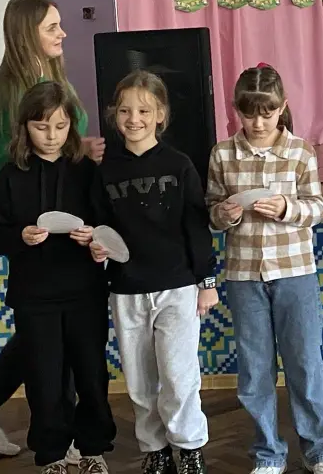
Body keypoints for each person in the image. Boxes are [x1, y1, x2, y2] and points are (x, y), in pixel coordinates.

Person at [0, 0, 105, 463]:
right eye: (52, 27)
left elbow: (69, 148)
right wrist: (36, 203)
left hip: (70, 251)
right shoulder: (6, 90)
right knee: (43, 349)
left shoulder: (56, 77)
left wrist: (81, 152)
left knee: (51, 346)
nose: (62, 33)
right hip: (40, 245)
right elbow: (3, 163)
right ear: (27, 33)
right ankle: (49, 438)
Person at [207, 65, 323, 474]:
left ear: (282, 107)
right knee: (255, 370)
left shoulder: (301, 151)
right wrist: (223, 214)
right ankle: (268, 453)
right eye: (249, 114)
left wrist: (287, 208)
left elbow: (317, 208)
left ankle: (321, 450)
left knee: (305, 364)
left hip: (295, 271)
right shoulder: (222, 154)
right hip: (244, 275)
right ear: (236, 110)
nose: (258, 122)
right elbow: (211, 211)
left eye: (267, 113)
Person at [0, 82, 116, 474]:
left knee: (91, 374)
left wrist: (94, 238)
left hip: (84, 292)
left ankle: (93, 449)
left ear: (71, 125)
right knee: (43, 378)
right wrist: (20, 236)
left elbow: (107, 227)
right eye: (42, 127)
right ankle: (53, 455)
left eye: (60, 126)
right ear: (25, 126)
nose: (52, 135)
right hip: (33, 295)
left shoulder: (85, 171)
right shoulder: (12, 174)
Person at [89, 71, 217, 474]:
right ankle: (155, 449)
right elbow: (100, 226)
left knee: (179, 376)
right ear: (114, 115)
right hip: (126, 289)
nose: (134, 119)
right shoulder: (104, 170)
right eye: (125, 111)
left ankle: (190, 447)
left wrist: (207, 282)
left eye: (144, 111)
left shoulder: (179, 165)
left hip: (177, 287)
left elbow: (196, 226)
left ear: (161, 114)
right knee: (140, 381)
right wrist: (97, 247)